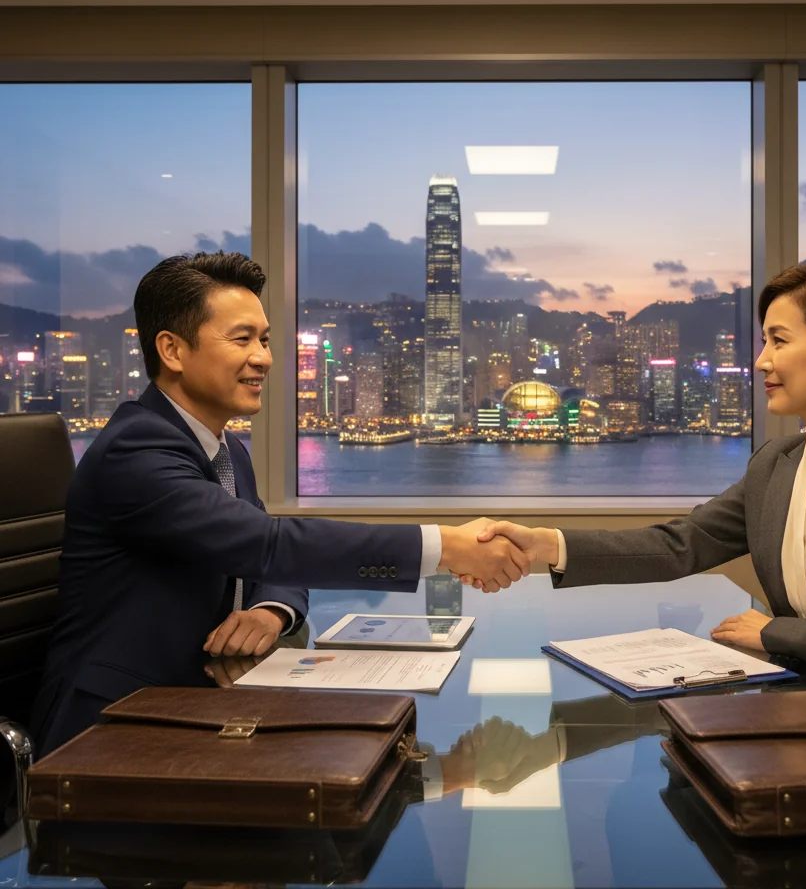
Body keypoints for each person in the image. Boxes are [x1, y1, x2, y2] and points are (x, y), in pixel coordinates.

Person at [33, 252, 527, 754]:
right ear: (173, 350)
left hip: (204, 706)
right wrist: (444, 546)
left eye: (264, 340)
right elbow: (268, 543)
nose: (264, 358)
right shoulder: (135, 450)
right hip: (111, 731)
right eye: (242, 339)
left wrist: (271, 610)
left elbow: (271, 561)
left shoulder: (225, 450)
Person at [473, 259, 806, 697]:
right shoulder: (776, 463)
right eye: (764, 341)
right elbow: (680, 544)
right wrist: (545, 546)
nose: (762, 361)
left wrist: (773, 633)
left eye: (780, 341)